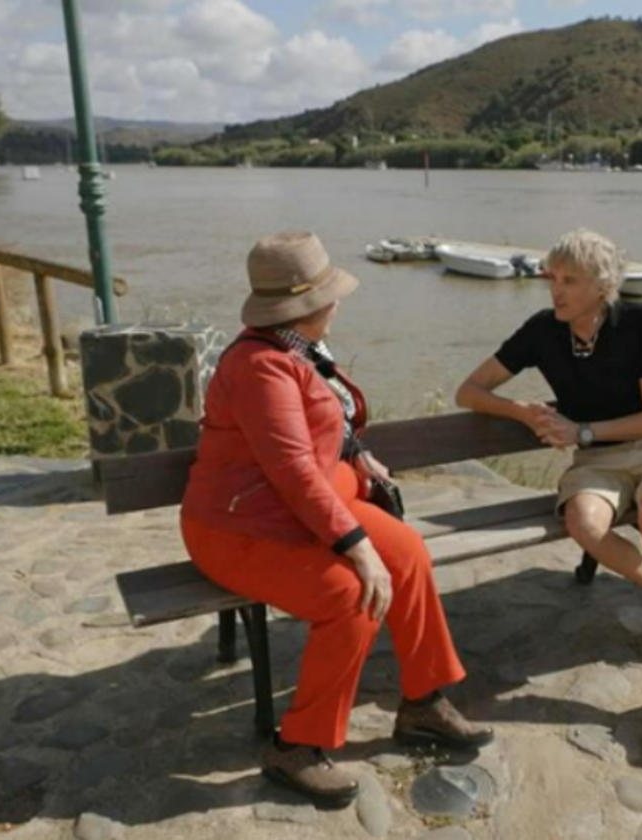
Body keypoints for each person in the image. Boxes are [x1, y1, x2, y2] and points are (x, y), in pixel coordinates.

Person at [181, 231, 493, 805]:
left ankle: (422, 702)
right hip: (240, 527)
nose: (338, 302)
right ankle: (295, 747)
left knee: (409, 553)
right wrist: (356, 545)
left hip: (303, 505)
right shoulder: (259, 367)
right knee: (352, 596)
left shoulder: (300, 350)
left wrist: (355, 452)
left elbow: (323, 428)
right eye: (329, 294)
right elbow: (292, 467)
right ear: (301, 306)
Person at [455, 229, 642, 756]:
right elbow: (469, 391)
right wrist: (522, 411)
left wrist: (581, 431)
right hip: (596, 463)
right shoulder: (544, 331)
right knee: (584, 524)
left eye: (570, 280)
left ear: (602, 284)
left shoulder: (639, 322)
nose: (556, 290)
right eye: (553, 278)